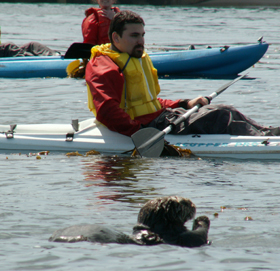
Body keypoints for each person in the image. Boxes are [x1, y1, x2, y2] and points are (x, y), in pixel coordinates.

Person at [85, 10, 280, 139]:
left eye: (143, 35)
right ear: (116, 37)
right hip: (144, 127)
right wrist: (140, 133)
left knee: (226, 109)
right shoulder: (104, 66)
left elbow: (149, 102)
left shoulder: (134, 57)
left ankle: (269, 133)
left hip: (159, 117)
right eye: (134, 36)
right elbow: (107, 111)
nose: (141, 41)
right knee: (219, 116)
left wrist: (184, 103)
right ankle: (265, 139)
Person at [49, 196, 210, 247]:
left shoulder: (141, 233)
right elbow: (199, 238)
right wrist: (202, 223)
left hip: (65, 237)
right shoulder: (172, 236)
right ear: (171, 218)